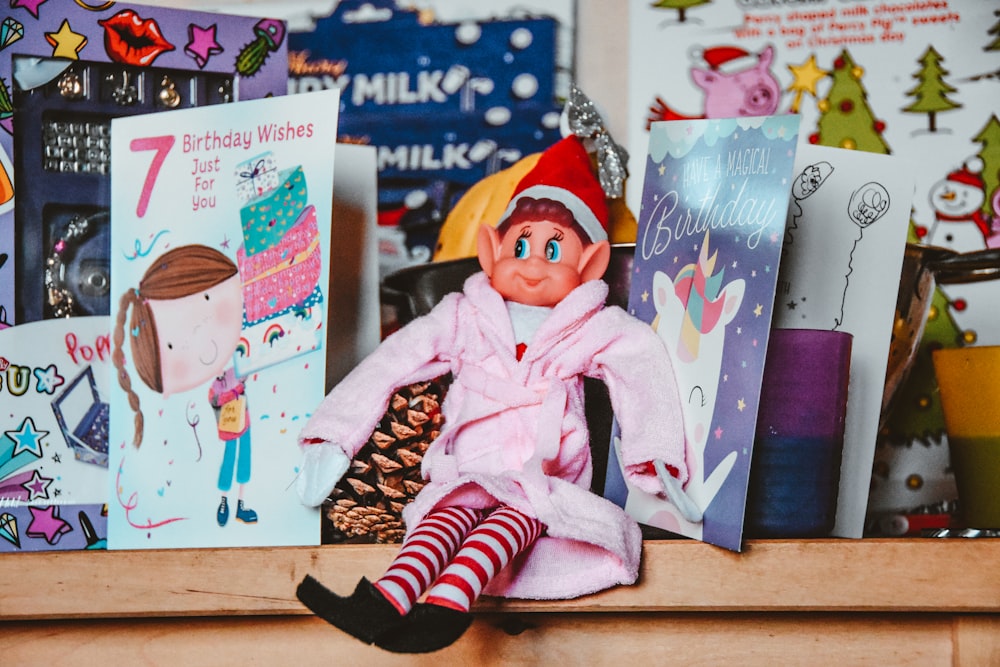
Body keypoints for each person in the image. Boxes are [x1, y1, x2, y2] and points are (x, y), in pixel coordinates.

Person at [295, 136, 690, 653]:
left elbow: (640, 363)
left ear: (591, 264)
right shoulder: (462, 313)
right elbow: (392, 362)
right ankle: (385, 600)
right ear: (491, 250)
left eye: (554, 250)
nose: (532, 264)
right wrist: (333, 435)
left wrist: (652, 454)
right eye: (520, 246)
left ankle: (449, 606)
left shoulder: (591, 325)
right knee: (442, 520)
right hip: (467, 464)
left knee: (505, 525)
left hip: (539, 475)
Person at [112, 244, 257, 526]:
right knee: (229, 459)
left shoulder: (242, 350)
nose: (203, 342)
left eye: (206, 299)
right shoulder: (204, 390)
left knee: (245, 459)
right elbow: (214, 397)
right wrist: (226, 394)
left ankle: (241, 503)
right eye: (171, 344)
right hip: (226, 420)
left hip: (244, 415)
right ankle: (225, 502)